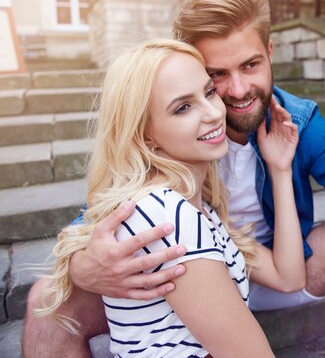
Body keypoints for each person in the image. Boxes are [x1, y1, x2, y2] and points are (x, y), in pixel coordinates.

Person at [23, 0, 325, 358]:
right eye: (216, 76)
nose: (237, 91)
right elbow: (110, 208)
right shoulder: (163, 157)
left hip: (270, 260)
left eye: (250, 65)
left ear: (269, 53)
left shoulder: (295, 120)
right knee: (47, 299)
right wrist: (83, 266)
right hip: (185, 275)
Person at [31, 39, 306, 357]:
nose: (214, 113)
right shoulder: (165, 216)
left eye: (208, 92)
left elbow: (288, 277)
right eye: (183, 107)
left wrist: (280, 169)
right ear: (145, 133)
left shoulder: (191, 206)